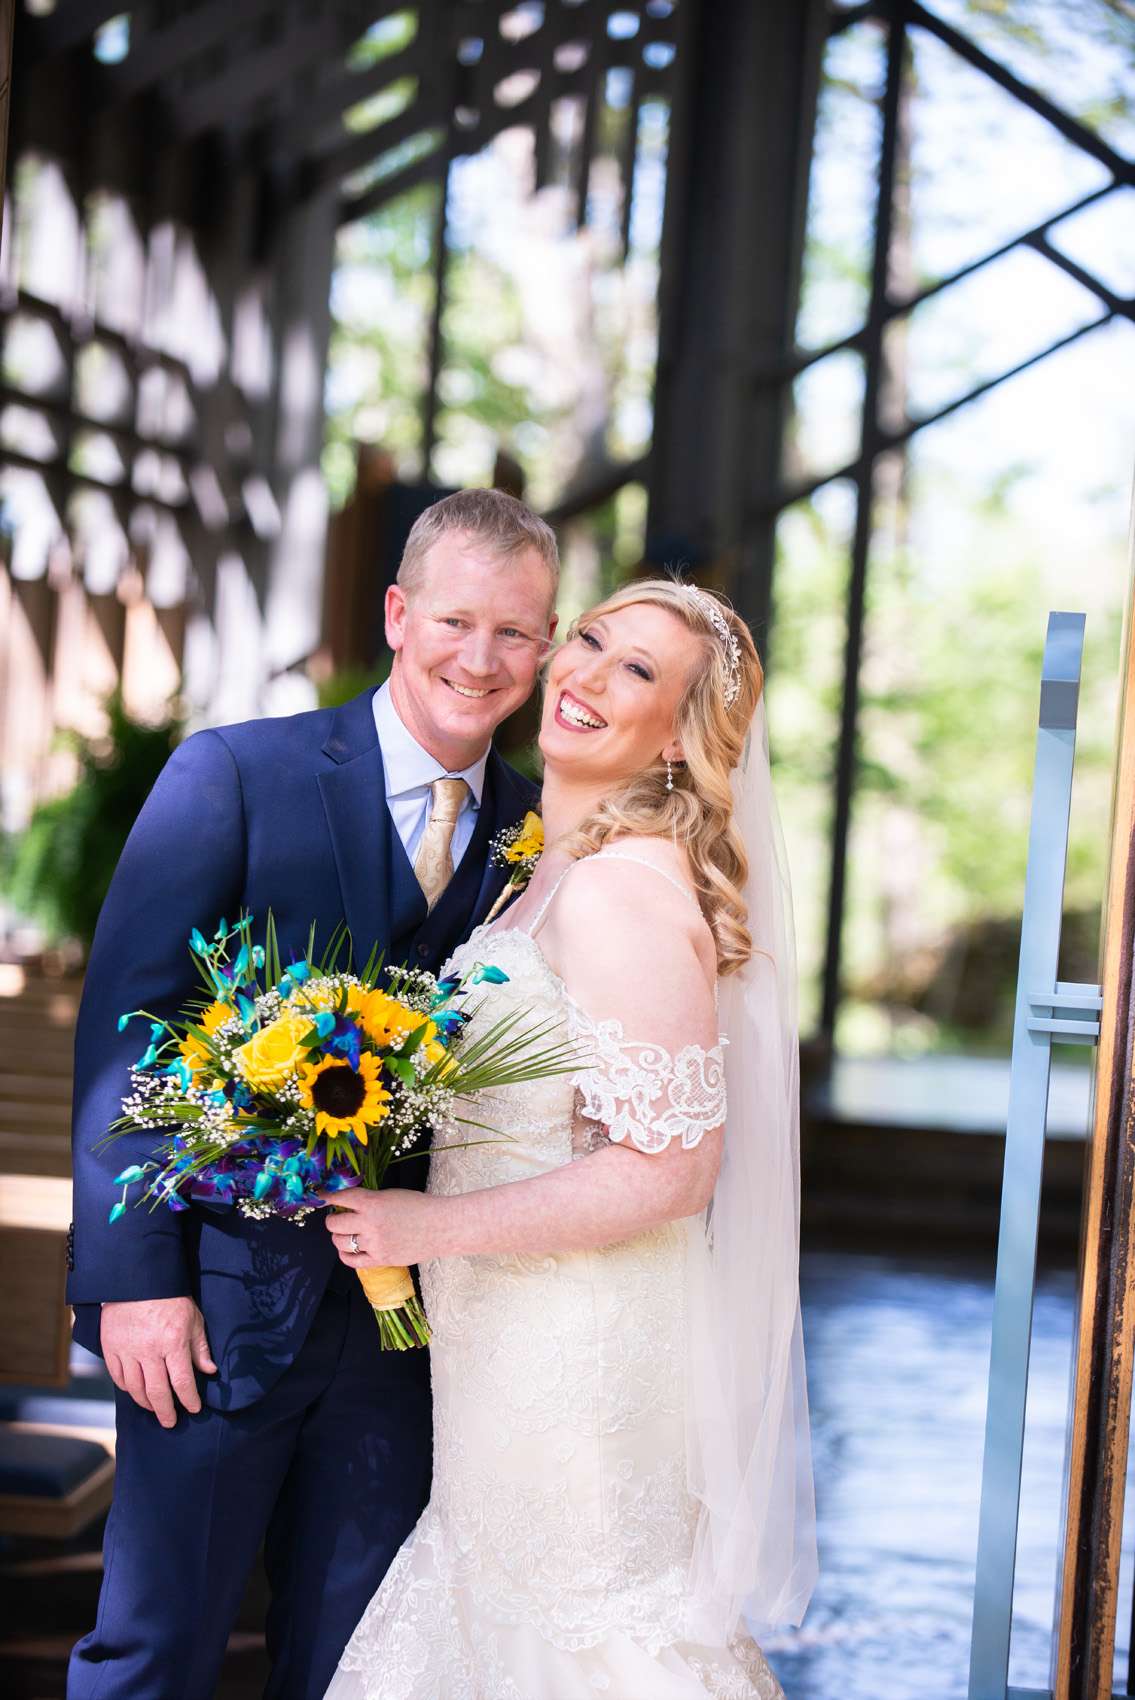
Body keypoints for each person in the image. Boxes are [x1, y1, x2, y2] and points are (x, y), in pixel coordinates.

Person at [65, 488, 559, 1699]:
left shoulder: (540, 829)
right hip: (219, 1312)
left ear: (546, 645)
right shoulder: (237, 772)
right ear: (398, 614)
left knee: (358, 1666)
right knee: (155, 1649)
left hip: (416, 1342)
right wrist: (136, 1285)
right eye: (455, 620)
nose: (480, 659)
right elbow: (130, 1033)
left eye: (516, 632)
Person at [322, 578, 817, 1699]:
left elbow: (674, 1167)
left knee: (576, 1633)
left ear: (683, 744)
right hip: (501, 1341)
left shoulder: (623, 894)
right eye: (589, 639)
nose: (586, 672)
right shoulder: (547, 865)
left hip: (579, 1359)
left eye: (636, 669)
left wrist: (425, 1221)